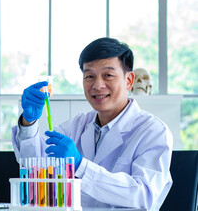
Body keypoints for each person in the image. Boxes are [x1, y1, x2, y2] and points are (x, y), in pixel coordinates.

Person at [12, 37, 172, 210]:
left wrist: (81, 166)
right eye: (89, 76)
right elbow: (34, 165)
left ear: (129, 80)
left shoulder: (153, 131)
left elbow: (143, 195)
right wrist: (28, 122)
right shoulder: (77, 125)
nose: (98, 85)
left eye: (108, 75)